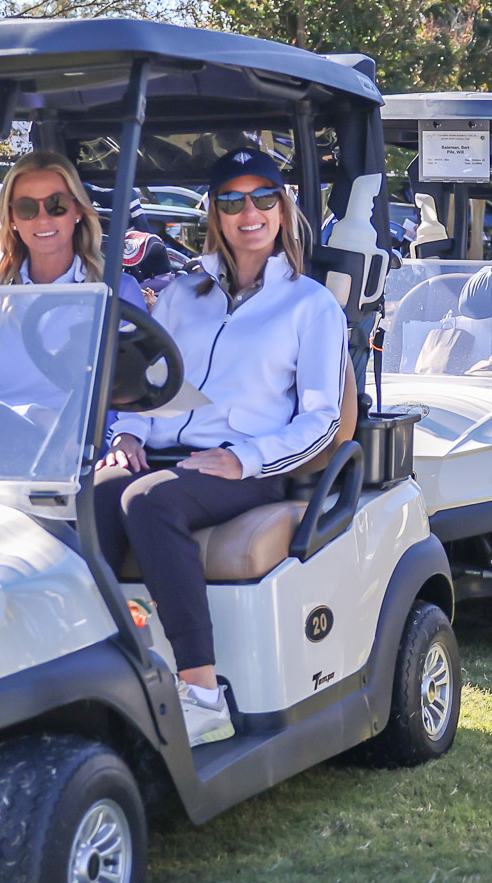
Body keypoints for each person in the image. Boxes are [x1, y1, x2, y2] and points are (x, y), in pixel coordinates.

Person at [94, 149, 347, 745]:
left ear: (282, 211)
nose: (248, 213)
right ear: (216, 214)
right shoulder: (185, 294)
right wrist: (127, 434)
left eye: (263, 198)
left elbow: (322, 419)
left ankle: (202, 693)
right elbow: (155, 388)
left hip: (252, 466)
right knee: (98, 493)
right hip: (172, 457)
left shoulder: (310, 305)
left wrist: (245, 459)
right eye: (231, 202)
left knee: (148, 502)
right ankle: (99, 670)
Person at [0, 152, 144, 477]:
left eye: (56, 205)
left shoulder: (114, 292)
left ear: (77, 212)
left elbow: (135, 393)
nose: (42, 219)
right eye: (27, 208)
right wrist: (36, 415)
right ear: (12, 218)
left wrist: (122, 435)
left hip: (69, 451)